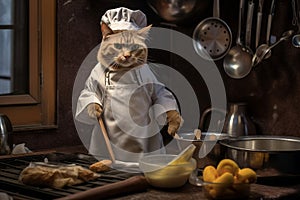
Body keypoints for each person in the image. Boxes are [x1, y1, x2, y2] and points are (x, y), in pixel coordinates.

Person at [75, 7, 182, 163]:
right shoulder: (99, 71)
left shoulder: (144, 70)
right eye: (118, 47)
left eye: (133, 48)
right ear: (106, 37)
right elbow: (88, 93)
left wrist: (170, 112)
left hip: (145, 143)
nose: (126, 54)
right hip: (109, 146)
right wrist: (92, 103)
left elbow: (159, 93)